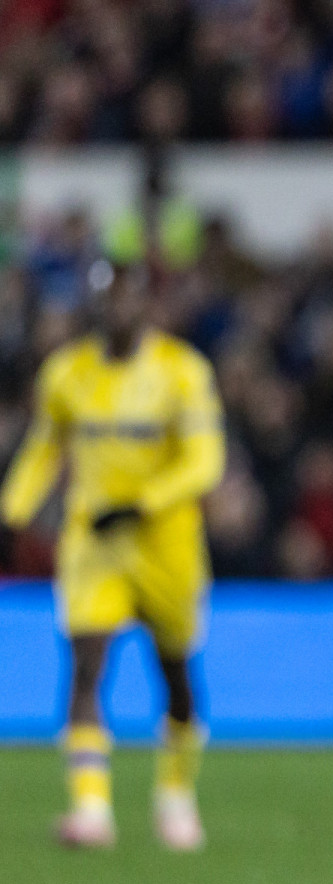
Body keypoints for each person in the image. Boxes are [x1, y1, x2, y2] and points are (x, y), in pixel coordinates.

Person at [1, 256, 223, 852]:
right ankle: (91, 811)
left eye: (127, 299)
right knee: (86, 666)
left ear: (147, 306)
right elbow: (42, 451)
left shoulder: (181, 372)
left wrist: (143, 503)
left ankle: (176, 796)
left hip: (165, 544)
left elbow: (205, 461)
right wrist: (13, 511)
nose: (116, 311)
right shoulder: (67, 374)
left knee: (175, 675)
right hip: (94, 543)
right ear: (94, 306)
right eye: (106, 300)